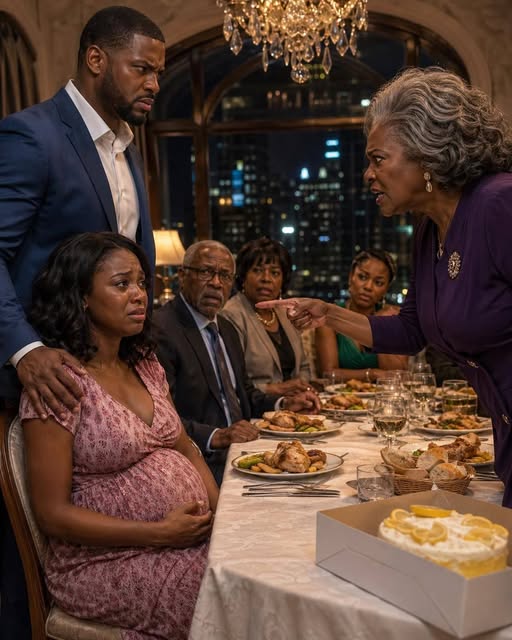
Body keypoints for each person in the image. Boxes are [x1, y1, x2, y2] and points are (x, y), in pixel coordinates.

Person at [257, 67, 512, 507]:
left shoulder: (498, 203)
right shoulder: (428, 230)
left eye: (379, 159)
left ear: (427, 155)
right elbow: (411, 330)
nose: (367, 175)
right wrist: (328, 313)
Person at [0, 7, 165, 637]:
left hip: (104, 383)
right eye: (142, 68)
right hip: (38, 385)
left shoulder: (124, 149)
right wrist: (24, 350)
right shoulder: (33, 136)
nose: (154, 83)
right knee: (21, 578)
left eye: (159, 72)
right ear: (97, 59)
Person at [20, 232, 218, 640]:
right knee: (220, 594)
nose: (139, 295)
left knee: (254, 565)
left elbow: (186, 449)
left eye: (142, 283)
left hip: (180, 541)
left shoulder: (144, 363)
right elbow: (52, 514)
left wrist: (223, 518)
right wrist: (157, 533)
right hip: (104, 561)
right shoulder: (60, 382)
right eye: (121, 284)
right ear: (82, 297)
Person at [153, 240, 321, 484]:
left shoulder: (226, 329)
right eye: (206, 272)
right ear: (182, 275)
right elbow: (158, 418)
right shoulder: (161, 330)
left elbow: (245, 395)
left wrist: (284, 403)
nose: (216, 283)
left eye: (224, 275)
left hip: (246, 447)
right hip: (200, 460)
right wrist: (217, 436)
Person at [221, 237, 311, 395]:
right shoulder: (231, 315)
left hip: (295, 403)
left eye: (275, 273)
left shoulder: (286, 312)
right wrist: (277, 390)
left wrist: (302, 387)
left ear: (283, 280)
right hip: (257, 405)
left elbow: (303, 366)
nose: (266, 279)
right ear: (243, 276)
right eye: (257, 270)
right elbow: (232, 381)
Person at [315, 249, 407, 383]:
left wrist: (381, 325)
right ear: (350, 277)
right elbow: (329, 374)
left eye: (378, 283)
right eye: (362, 277)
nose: (368, 287)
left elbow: (398, 375)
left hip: (384, 394)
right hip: (341, 395)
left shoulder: (392, 317)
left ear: (386, 289)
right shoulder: (329, 317)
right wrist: (372, 374)